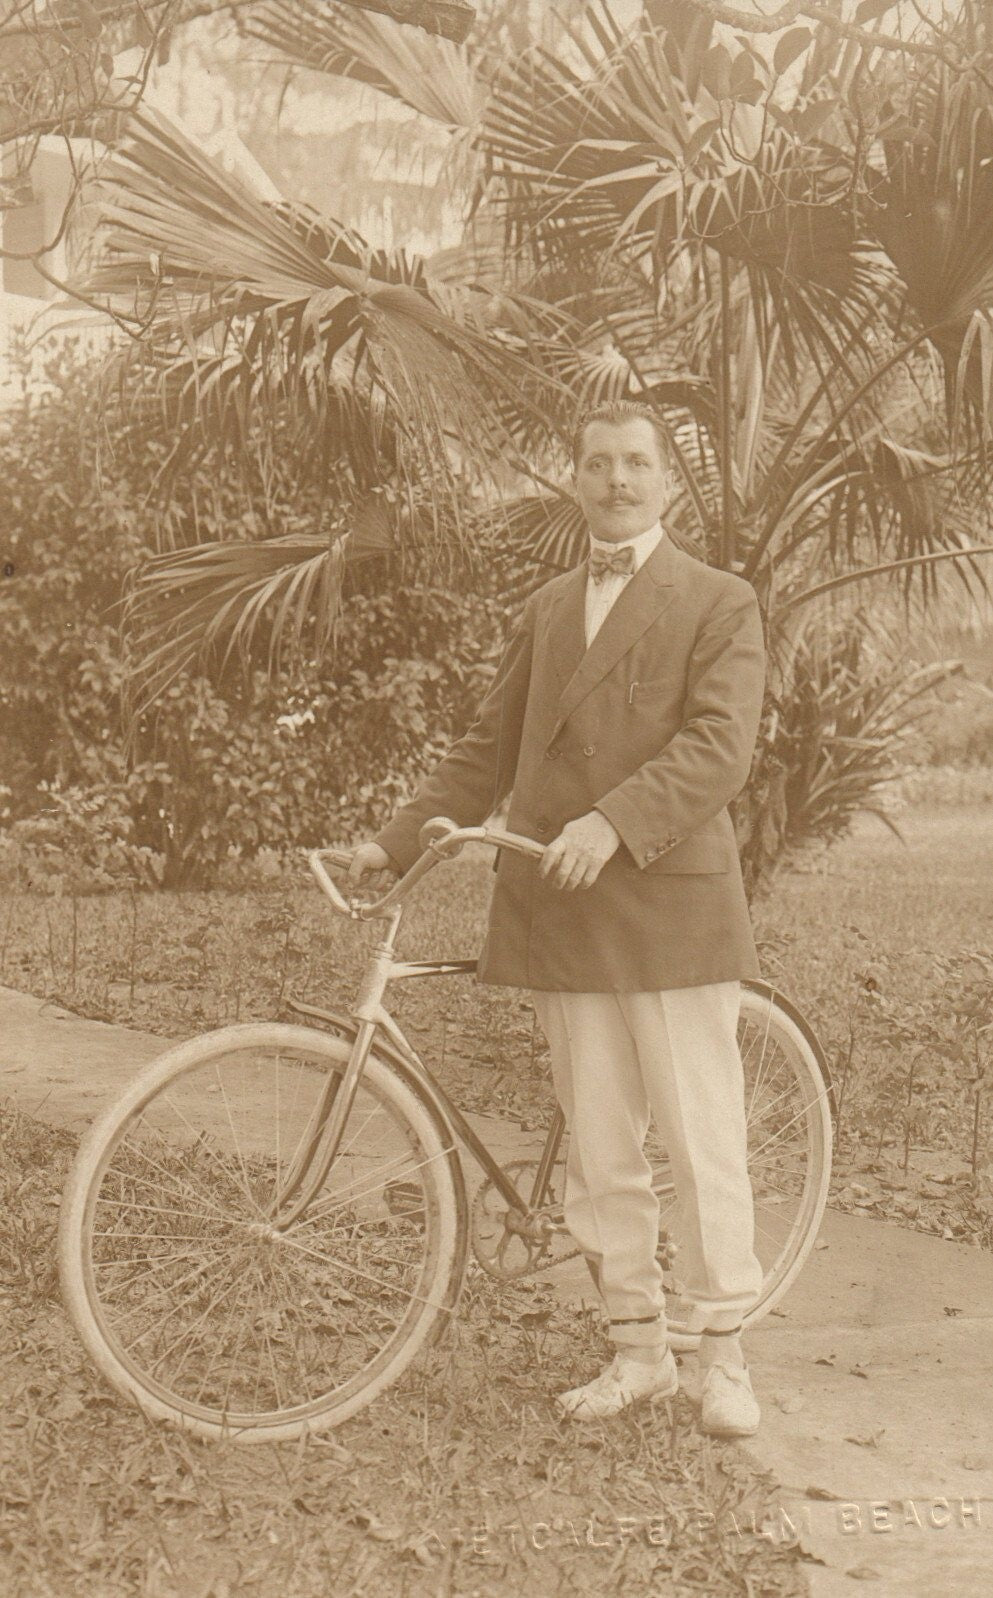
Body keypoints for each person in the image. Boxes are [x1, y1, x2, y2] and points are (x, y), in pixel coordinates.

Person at [348, 399, 766, 1433]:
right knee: (599, 1148)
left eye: (635, 463)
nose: (616, 480)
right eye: (597, 463)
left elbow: (719, 745)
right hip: (562, 903)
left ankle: (723, 1354)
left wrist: (613, 820)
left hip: (667, 907)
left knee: (700, 1140)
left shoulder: (718, 600)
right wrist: (393, 841)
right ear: (575, 479)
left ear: (666, 481)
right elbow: (487, 747)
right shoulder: (546, 607)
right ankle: (637, 1349)